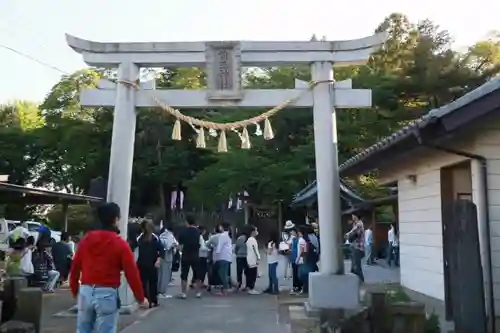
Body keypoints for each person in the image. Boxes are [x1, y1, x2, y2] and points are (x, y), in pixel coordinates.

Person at [70, 202, 148, 333]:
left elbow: (75, 267)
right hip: (107, 292)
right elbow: (131, 273)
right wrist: (141, 298)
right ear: (116, 219)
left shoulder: (86, 240)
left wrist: (74, 290)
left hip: (86, 290)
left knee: (82, 330)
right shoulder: (120, 244)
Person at [136, 220, 164, 307]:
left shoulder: (155, 238)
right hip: (142, 263)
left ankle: (153, 300)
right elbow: (136, 250)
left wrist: (158, 259)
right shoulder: (139, 239)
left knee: (153, 283)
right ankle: (146, 300)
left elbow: (161, 250)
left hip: (152, 263)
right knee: (143, 282)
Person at [177, 214, 202, 299]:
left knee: (184, 274)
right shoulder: (197, 232)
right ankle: (198, 292)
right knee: (197, 274)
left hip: (186, 255)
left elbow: (180, 246)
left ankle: (183, 293)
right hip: (195, 255)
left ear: (186, 222)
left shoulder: (183, 232)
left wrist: (180, 251)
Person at [158, 225, 177, 298]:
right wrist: (174, 246)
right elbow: (171, 245)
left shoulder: (162, 235)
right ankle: (162, 292)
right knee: (165, 275)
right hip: (167, 256)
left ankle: (158, 291)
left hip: (161, 256)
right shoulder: (170, 236)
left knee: (160, 274)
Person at [214, 222, 233, 296]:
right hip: (227, 257)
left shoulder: (223, 235)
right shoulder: (228, 234)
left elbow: (219, 246)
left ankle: (225, 290)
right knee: (223, 273)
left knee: (222, 274)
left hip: (222, 257)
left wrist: (216, 256)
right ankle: (226, 288)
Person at [345, 214, 365, 282]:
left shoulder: (359, 224)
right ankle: (353, 281)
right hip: (355, 246)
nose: (352, 217)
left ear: (356, 216)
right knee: (354, 266)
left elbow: (353, 235)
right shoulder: (356, 224)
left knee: (356, 266)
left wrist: (348, 236)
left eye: (353, 216)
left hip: (357, 247)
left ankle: (361, 281)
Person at [246, 225, 261, 295]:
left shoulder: (248, 240)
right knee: (253, 274)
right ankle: (251, 288)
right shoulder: (252, 240)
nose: (256, 232)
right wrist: (258, 257)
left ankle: (249, 287)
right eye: (255, 230)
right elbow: (255, 250)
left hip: (249, 258)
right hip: (252, 259)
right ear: (252, 232)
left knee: (250, 274)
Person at [289, 228, 302, 295]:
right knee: (294, 272)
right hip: (293, 257)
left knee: (297, 272)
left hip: (297, 257)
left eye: (293, 232)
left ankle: (298, 286)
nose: (292, 233)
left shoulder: (299, 240)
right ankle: (295, 285)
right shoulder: (293, 239)